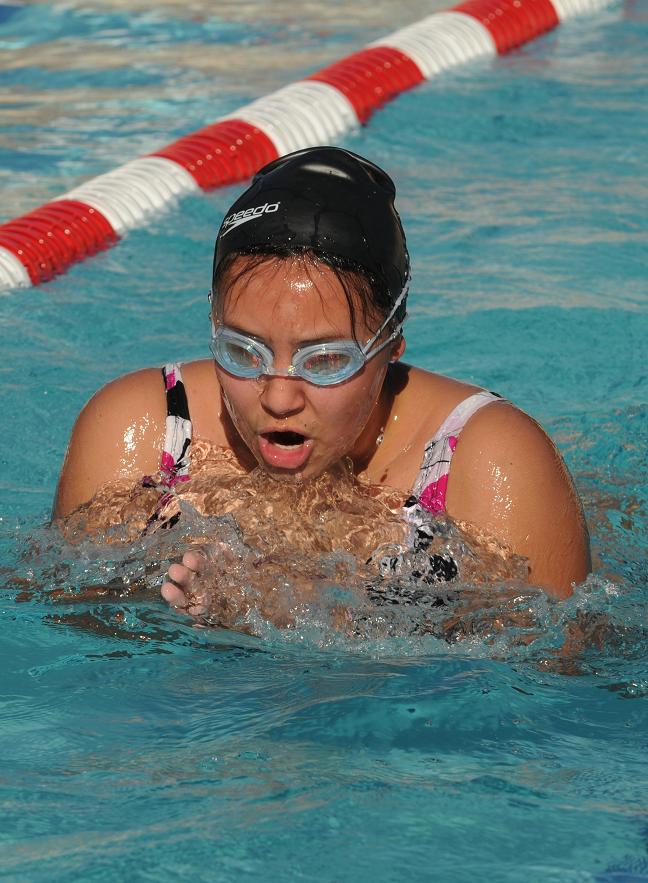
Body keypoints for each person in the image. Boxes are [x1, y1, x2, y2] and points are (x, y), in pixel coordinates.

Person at [53, 146, 590, 608]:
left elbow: (550, 678)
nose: (279, 397)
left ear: (392, 347)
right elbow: (68, 622)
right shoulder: (146, 427)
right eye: (243, 351)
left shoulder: (494, 459)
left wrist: (334, 614)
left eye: (326, 361)